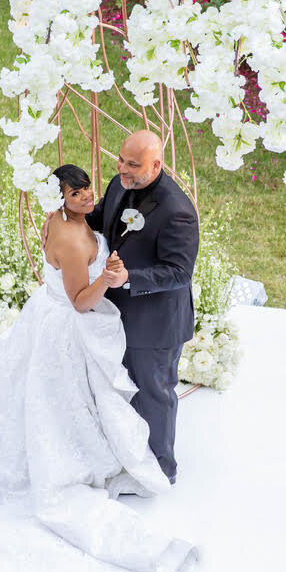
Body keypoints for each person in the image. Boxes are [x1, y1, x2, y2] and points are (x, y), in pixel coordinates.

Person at [0, 164, 196, 572]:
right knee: (61, 405)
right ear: (60, 197)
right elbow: (81, 303)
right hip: (66, 328)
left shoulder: (70, 219)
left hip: (53, 316)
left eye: (88, 189)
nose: (89, 198)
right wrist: (107, 277)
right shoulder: (67, 237)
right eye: (78, 193)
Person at [86, 130, 200, 484]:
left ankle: (162, 470)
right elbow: (103, 218)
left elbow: (179, 272)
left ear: (157, 164)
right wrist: (68, 217)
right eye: (121, 159)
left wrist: (129, 278)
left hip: (155, 323)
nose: (122, 168)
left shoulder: (177, 211)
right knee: (124, 390)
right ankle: (130, 456)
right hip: (117, 314)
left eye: (133, 164)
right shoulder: (121, 182)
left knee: (154, 394)